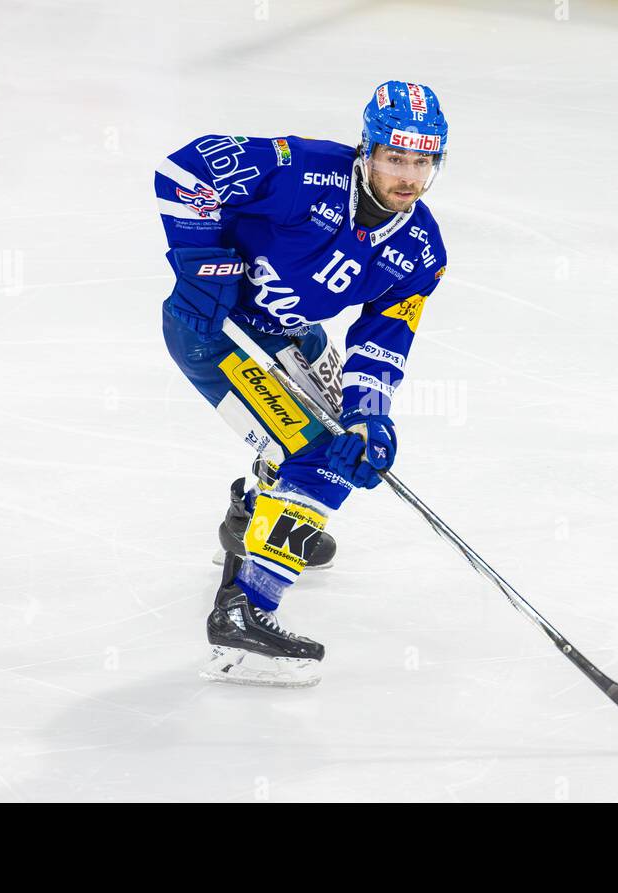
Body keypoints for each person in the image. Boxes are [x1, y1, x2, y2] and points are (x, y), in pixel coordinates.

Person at [156, 82, 448, 686]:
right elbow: (185, 167)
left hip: (290, 333)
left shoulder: (421, 250)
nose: (409, 177)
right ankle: (244, 614)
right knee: (320, 460)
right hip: (215, 331)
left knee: (349, 438)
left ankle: (251, 524)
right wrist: (199, 260)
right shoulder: (304, 171)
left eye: (422, 161)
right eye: (396, 157)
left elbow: (381, 339)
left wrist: (370, 416)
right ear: (367, 150)